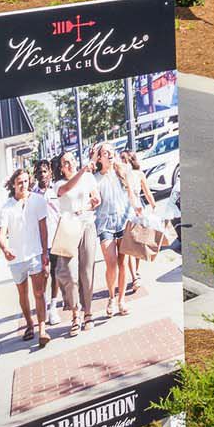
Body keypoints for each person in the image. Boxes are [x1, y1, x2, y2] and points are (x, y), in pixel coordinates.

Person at [50, 150, 102, 337]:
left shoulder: (88, 178)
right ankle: (75, 313)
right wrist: (82, 170)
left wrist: (89, 205)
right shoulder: (59, 184)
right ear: (61, 168)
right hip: (68, 228)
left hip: (87, 224)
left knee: (86, 271)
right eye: (66, 162)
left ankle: (87, 313)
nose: (70, 164)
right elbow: (66, 190)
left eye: (72, 160)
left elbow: (96, 199)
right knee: (70, 274)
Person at [0, 168, 49, 347]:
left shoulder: (38, 201)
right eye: (19, 181)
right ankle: (29, 324)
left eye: (26, 181)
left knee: (39, 292)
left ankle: (42, 328)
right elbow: (1, 235)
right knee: (23, 294)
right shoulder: (6, 207)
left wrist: (45, 253)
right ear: (13, 184)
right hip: (16, 259)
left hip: (35, 254)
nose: (23, 184)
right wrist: (5, 249)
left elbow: (43, 229)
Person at [91, 143, 133, 319]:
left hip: (123, 223)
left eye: (111, 152)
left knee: (123, 263)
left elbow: (132, 194)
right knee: (111, 263)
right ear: (99, 158)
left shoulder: (121, 172)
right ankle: (111, 297)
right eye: (105, 153)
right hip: (105, 225)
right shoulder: (94, 178)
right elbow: (93, 198)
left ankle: (121, 300)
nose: (109, 155)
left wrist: (138, 210)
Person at [118, 147, 159, 295]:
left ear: (130, 159)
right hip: (126, 210)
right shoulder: (120, 176)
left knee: (138, 242)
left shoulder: (139, 174)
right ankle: (134, 277)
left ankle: (136, 271)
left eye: (124, 158)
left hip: (138, 209)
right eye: (120, 158)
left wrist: (154, 206)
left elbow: (147, 192)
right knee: (129, 243)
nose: (122, 161)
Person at [32, 158, 62, 327]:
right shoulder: (33, 195)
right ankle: (42, 306)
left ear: (50, 172)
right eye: (39, 172)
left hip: (57, 238)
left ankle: (53, 306)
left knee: (56, 274)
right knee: (44, 274)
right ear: (35, 175)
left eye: (45, 171)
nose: (42, 175)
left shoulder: (56, 190)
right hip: (40, 242)